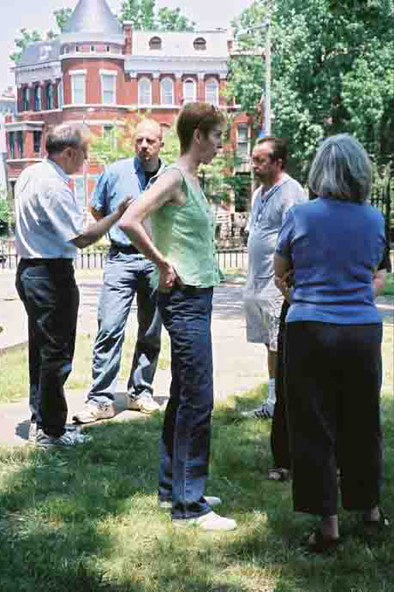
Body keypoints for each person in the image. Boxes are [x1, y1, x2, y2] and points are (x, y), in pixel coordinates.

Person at [119, 102, 237, 532]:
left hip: (195, 297)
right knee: (197, 397)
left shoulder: (190, 180)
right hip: (184, 296)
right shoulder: (172, 176)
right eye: (217, 136)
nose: (221, 144)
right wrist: (161, 262)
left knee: (185, 391)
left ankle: (175, 488)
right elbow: (131, 220)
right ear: (199, 135)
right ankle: (190, 507)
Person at [274, 133, 388, 552]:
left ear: (321, 169)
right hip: (361, 331)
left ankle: (327, 525)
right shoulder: (375, 220)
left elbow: (280, 273)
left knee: (313, 425)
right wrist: (357, 296)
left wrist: (301, 299)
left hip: (309, 330)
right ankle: (371, 509)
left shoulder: (300, 216)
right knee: (362, 421)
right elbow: (378, 272)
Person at [15, 123, 129, 449]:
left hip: (30, 269)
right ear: (68, 152)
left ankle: (42, 421)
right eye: (84, 153)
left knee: (41, 351)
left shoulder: (30, 174)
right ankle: (52, 431)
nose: (86, 159)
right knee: (56, 353)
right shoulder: (52, 184)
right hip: (50, 274)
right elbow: (83, 236)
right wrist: (117, 214)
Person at [73, 120, 164, 424]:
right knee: (109, 327)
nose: (144, 146)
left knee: (150, 330)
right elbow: (98, 209)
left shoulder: (170, 177)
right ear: (133, 143)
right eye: (139, 140)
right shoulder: (115, 173)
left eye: (151, 140)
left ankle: (141, 391)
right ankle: (100, 399)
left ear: (160, 144)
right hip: (121, 259)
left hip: (155, 261)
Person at [242, 137, 306, 419]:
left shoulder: (291, 192)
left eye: (260, 160)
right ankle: (274, 399)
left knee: (279, 342)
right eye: (253, 159)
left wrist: (286, 281)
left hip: (277, 283)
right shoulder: (259, 193)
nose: (253, 165)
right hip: (257, 280)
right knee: (270, 344)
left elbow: (296, 239)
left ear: (278, 162)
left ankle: (278, 402)